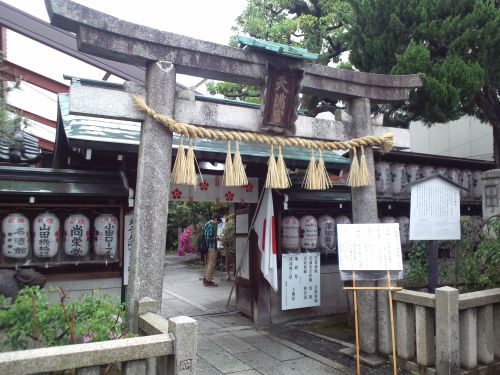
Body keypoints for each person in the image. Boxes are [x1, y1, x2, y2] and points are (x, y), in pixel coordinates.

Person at [202, 213, 221, 287]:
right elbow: (208, 238)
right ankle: (208, 280)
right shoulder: (210, 225)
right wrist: (218, 238)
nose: (218, 223)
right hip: (211, 247)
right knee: (211, 264)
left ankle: (206, 279)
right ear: (216, 219)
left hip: (209, 247)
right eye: (218, 221)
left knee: (208, 263)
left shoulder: (208, 224)